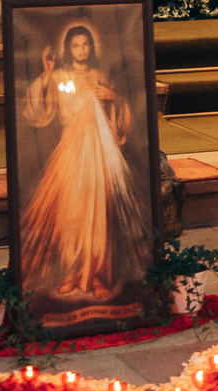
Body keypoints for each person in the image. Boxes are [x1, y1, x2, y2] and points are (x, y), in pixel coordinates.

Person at [16, 22, 144, 321]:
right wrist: (46, 74)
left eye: (86, 44)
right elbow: (36, 110)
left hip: (100, 150)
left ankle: (98, 275)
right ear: (67, 50)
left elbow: (120, 117)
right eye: (75, 45)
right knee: (71, 212)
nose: (82, 50)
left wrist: (114, 97)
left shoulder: (99, 76)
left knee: (99, 212)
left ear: (92, 47)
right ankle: (73, 272)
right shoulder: (59, 77)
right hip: (71, 150)